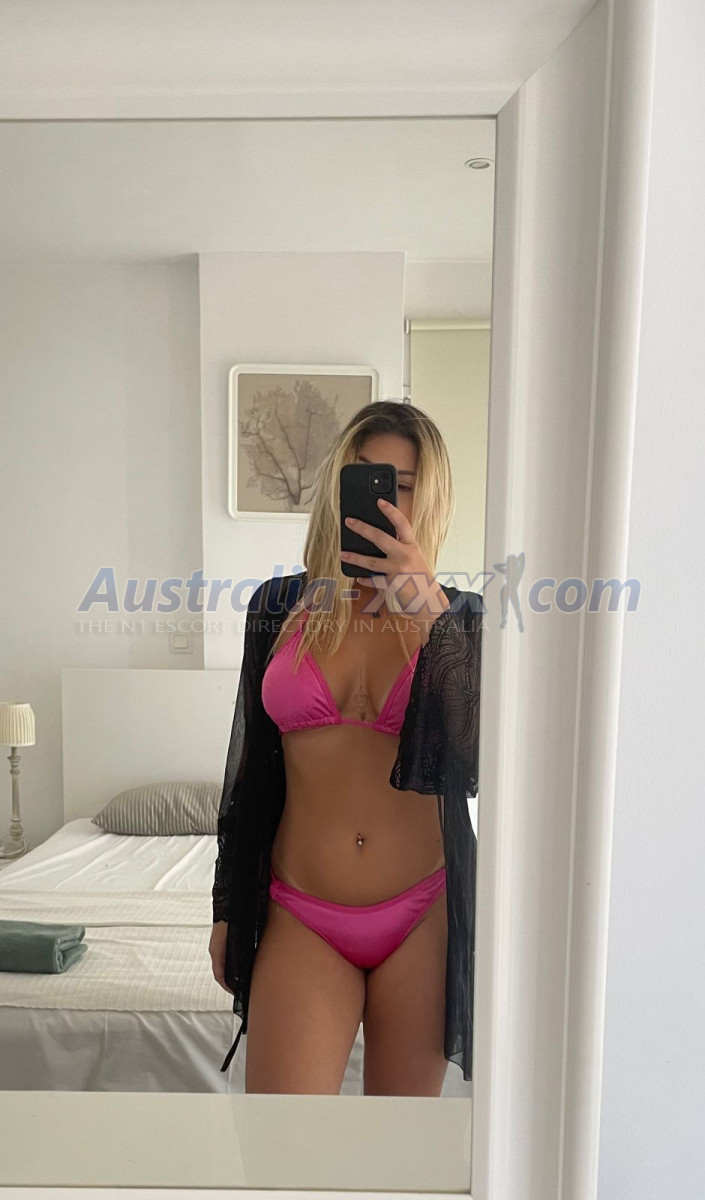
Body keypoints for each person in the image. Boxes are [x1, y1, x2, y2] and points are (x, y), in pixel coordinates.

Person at [210, 400, 482, 1095]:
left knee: (400, 1144)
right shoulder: (278, 606)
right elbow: (248, 771)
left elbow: (481, 757)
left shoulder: (461, 618)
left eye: (403, 484)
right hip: (300, 910)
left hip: (422, 911)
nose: (383, 498)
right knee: (284, 1142)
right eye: (363, 477)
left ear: (430, 497)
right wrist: (227, 908)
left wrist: (427, 611)